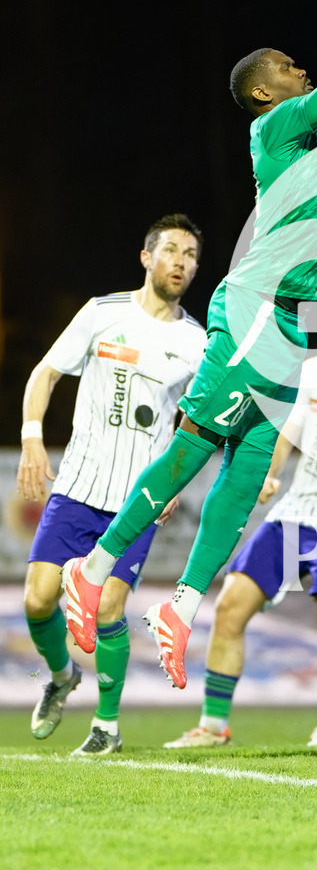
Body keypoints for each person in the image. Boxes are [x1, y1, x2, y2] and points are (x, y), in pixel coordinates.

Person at [61, 0, 317, 690]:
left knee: (245, 477)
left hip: (291, 330)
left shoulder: (313, 136)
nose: (300, 68)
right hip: (256, 310)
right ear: (264, 93)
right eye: (286, 66)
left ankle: (180, 607)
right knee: (194, 447)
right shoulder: (275, 125)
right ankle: (91, 571)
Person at [18, 214, 205, 756]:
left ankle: (107, 727)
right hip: (77, 486)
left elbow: (197, 425)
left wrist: (175, 481)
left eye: (191, 255)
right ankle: (60, 677)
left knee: (105, 612)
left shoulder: (197, 342)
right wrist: (33, 438)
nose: (181, 262)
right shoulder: (102, 313)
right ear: (147, 258)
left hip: (135, 502)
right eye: (171, 250)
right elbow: (45, 373)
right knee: (37, 602)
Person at [164, 344, 317, 750]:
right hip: (296, 510)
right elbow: (286, 432)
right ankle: (212, 726)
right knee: (230, 604)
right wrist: (270, 473)